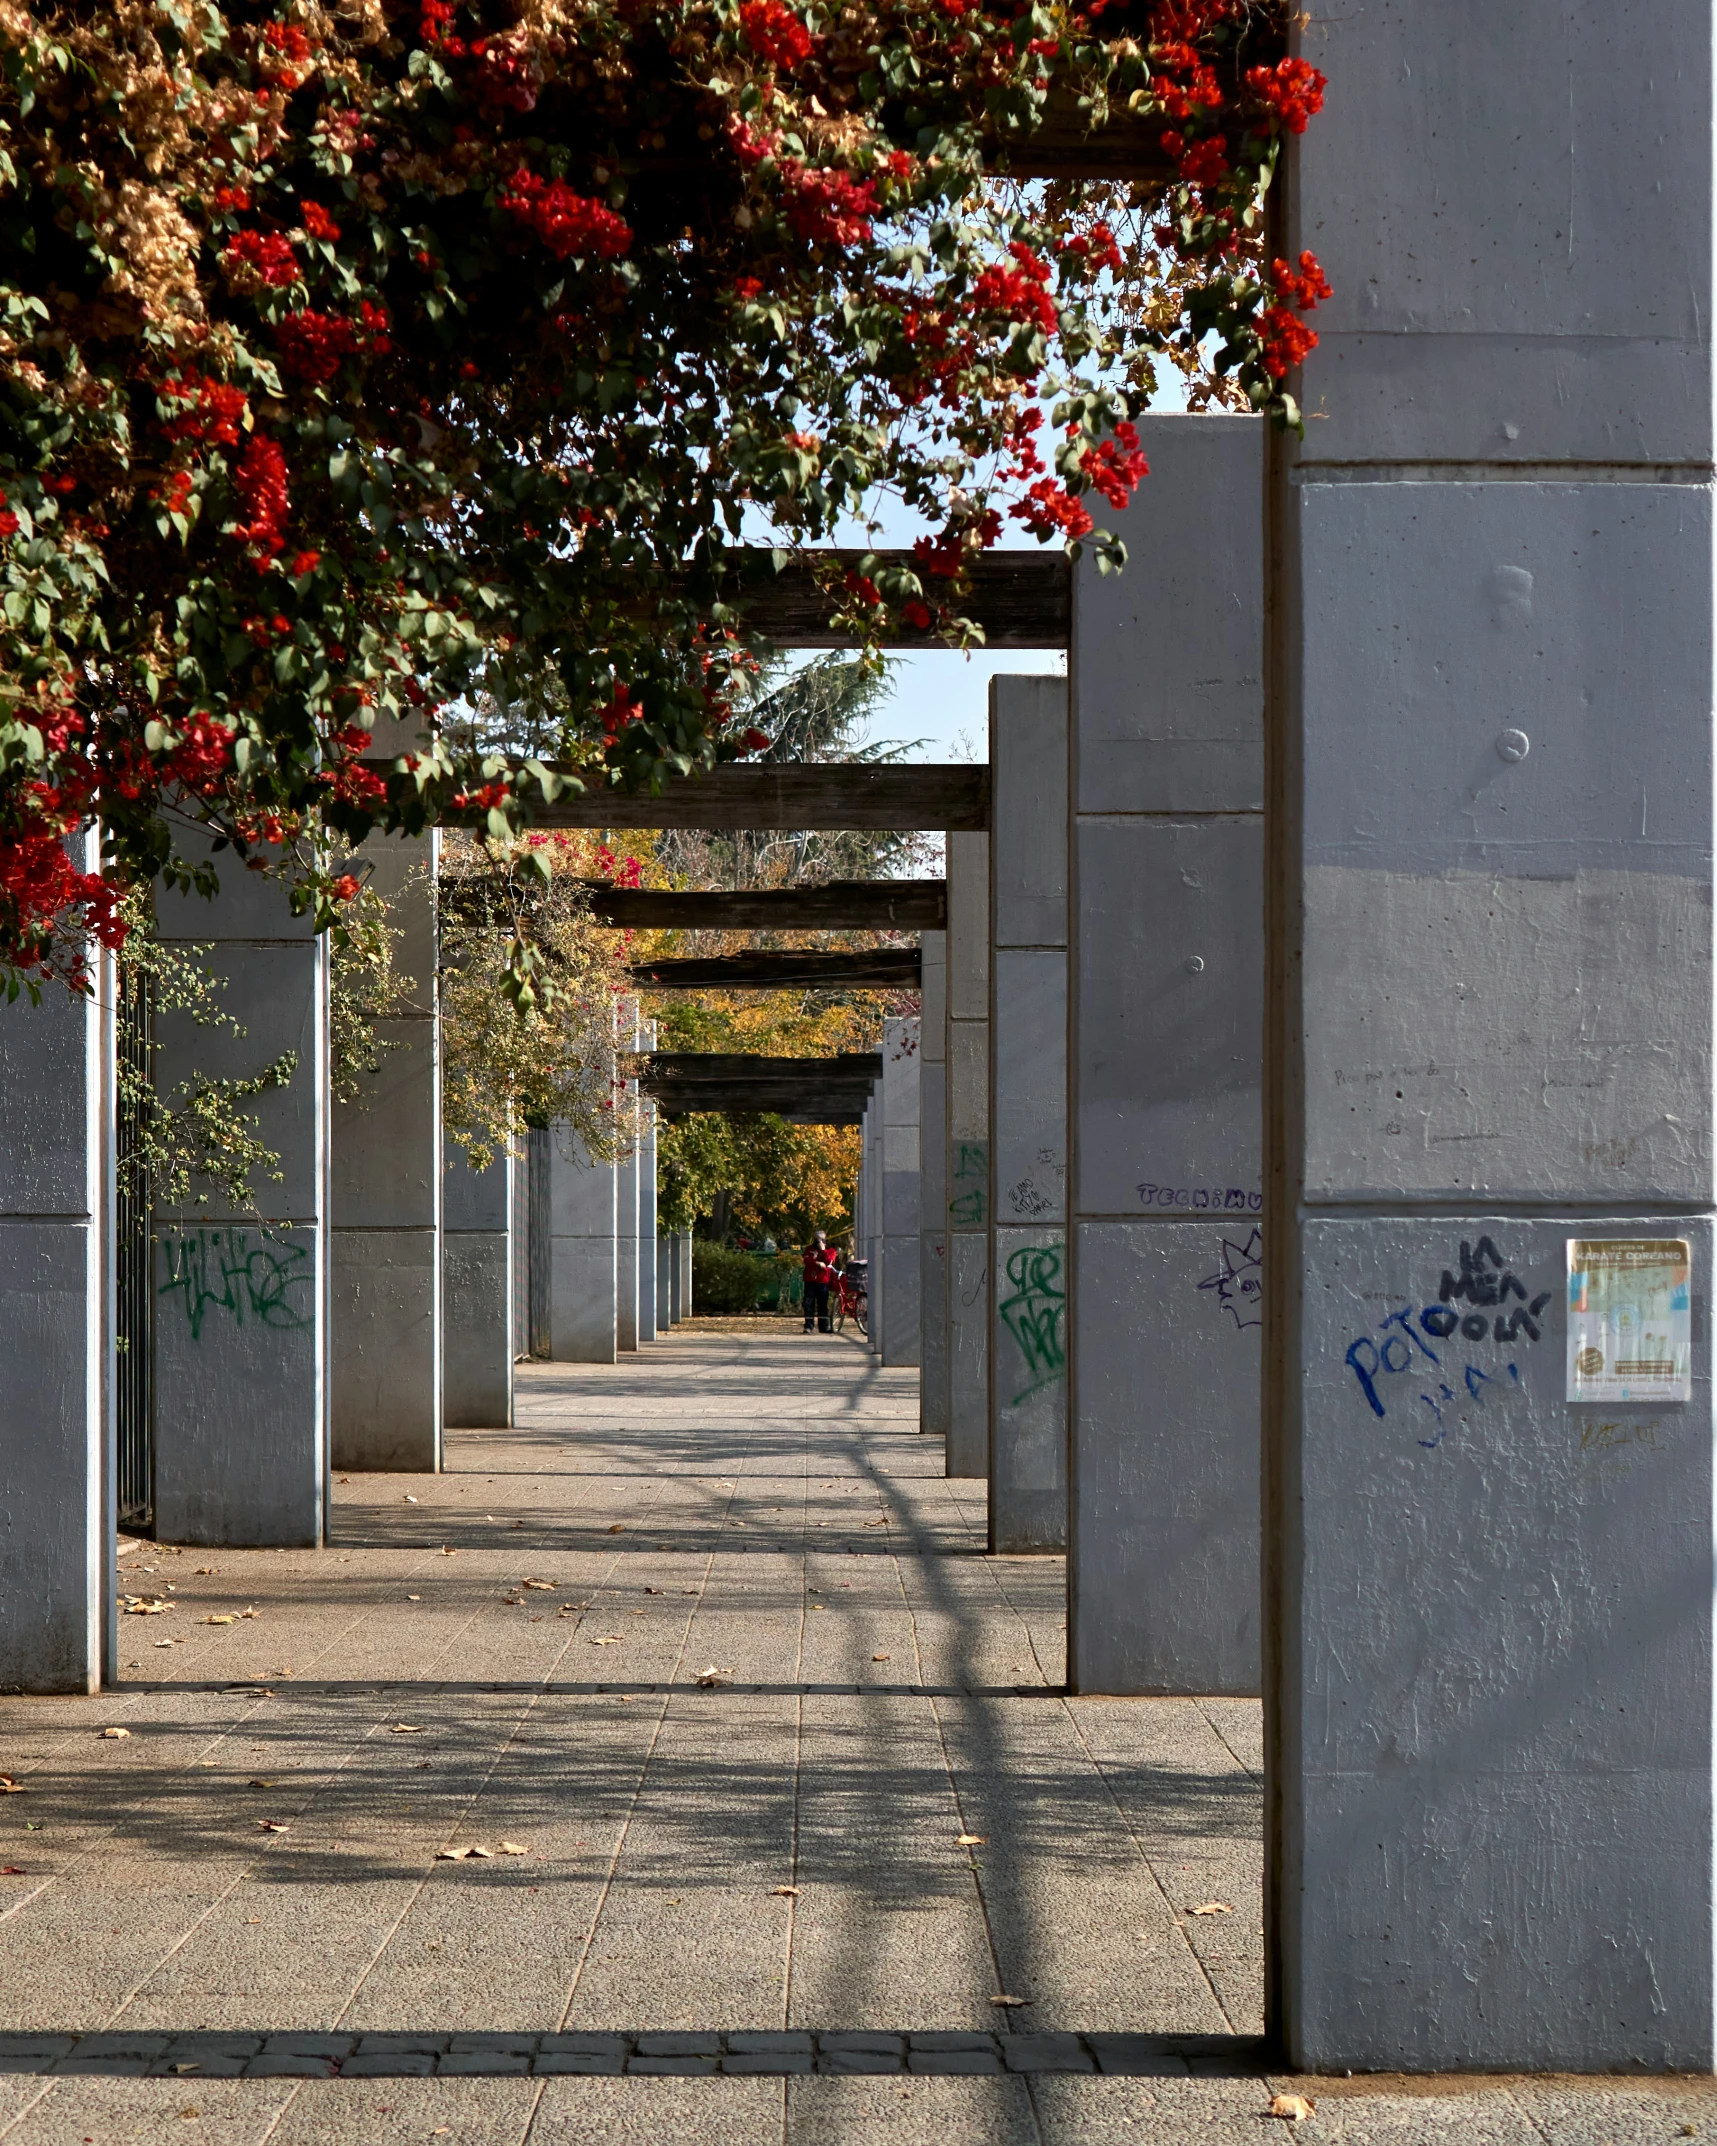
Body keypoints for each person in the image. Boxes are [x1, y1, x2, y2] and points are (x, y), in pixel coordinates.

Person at [802, 1229, 837, 1334]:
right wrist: (817, 1263)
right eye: (816, 1239)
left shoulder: (831, 1250)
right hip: (810, 1280)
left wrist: (823, 1250)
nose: (817, 1242)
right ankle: (809, 1326)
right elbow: (806, 1260)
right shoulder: (809, 1249)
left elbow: (829, 1261)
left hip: (823, 1280)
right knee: (808, 1303)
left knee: (822, 1304)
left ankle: (824, 1326)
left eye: (820, 1239)